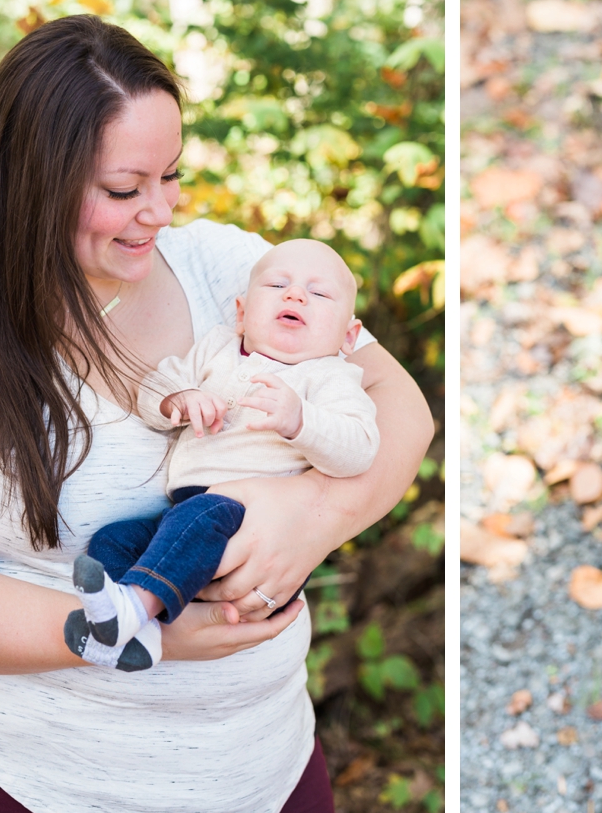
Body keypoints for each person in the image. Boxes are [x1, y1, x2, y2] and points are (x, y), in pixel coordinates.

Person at [0, 15, 433, 813]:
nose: (161, 210)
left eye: (172, 175)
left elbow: (403, 410)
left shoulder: (231, 270)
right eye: (123, 188)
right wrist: (136, 635)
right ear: (32, 185)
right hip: (50, 789)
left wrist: (308, 520)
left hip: (263, 760)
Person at [70, 239, 379, 673]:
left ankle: (133, 609)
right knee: (113, 540)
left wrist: (300, 422)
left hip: (253, 527)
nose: (295, 295)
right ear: (240, 313)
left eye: (319, 293)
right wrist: (178, 399)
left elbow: (360, 448)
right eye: (277, 285)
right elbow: (157, 386)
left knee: (199, 516)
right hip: (184, 515)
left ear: (348, 335)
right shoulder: (216, 349)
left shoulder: (331, 378)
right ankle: (141, 635)